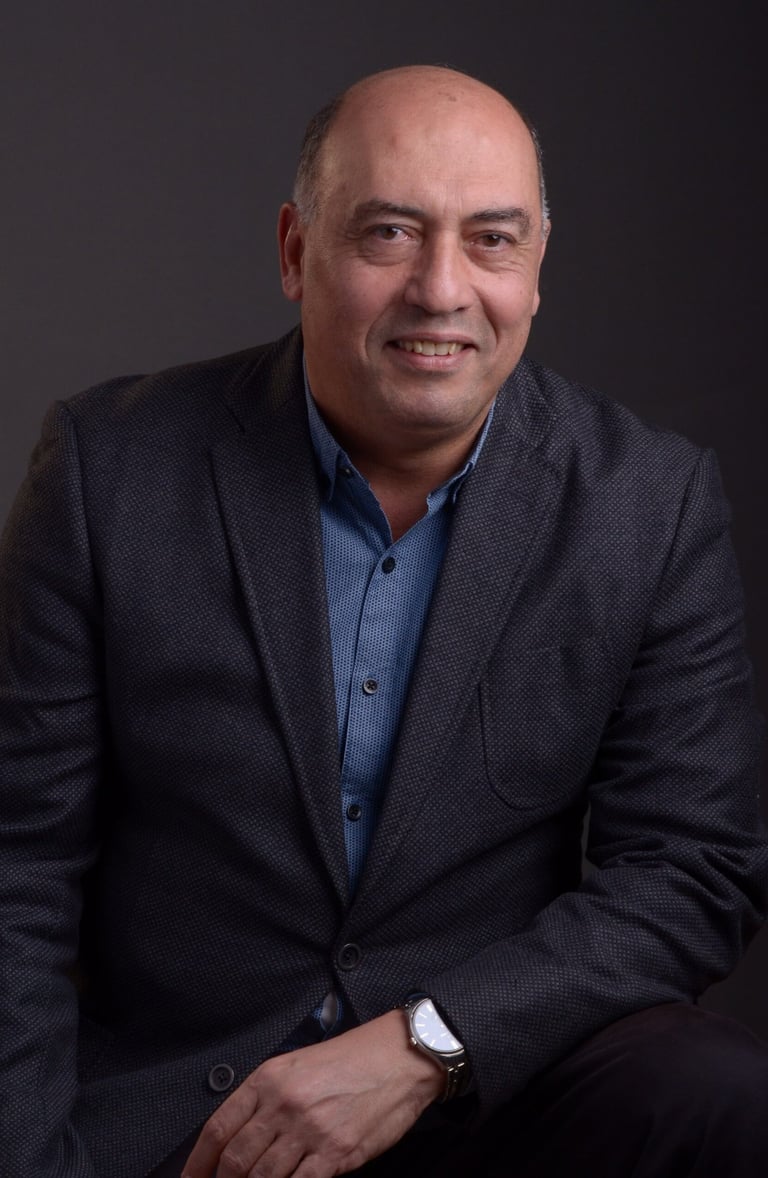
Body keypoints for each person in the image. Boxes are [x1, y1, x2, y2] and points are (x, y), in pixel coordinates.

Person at [1, 64, 767, 1178]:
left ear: (537, 265)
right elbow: (17, 863)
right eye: (391, 233)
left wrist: (428, 1042)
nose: (442, 288)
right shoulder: (110, 470)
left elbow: (692, 868)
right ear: (295, 250)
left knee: (722, 1095)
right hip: (192, 1112)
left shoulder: (648, 503)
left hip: (492, 1095)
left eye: (491, 240)